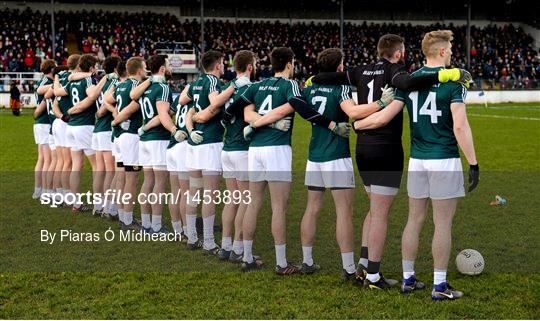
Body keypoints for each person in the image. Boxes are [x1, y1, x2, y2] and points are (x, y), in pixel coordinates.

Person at [311, 34, 471, 289]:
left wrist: (314, 79)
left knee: (373, 210)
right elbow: (407, 82)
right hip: (386, 149)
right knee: (381, 214)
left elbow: (334, 77)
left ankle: (364, 266)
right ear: (398, 53)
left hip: (362, 147)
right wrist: (445, 75)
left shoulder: (360, 70)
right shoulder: (396, 71)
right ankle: (373, 275)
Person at [354, 30, 479, 300]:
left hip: (417, 161)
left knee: (414, 220)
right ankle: (439, 285)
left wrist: (358, 124)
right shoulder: (453, 82)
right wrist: (474, 163)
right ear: (443, 52)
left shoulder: (409, 82)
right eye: (450, 50)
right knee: (442, 224)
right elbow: (460, 125)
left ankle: (408, 279)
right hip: (443, 158)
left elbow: (383, 116)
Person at [223, 47, 350, 275]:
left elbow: (236, 110)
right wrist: (331, 125)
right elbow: (300, 107)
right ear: (290, 63)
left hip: (255, 150)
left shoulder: (256, 85)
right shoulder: (290, 85)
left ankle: (247, 256)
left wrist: (255, 123)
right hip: (277, 149)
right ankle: (281, 263)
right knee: (278, 207)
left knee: (253, 204)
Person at [298, 48, 394, 278]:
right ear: (339, 67)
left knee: (311, 209)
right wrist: (381, 103)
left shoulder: (310, 87)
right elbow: (352, 112)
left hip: (314, 157)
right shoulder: (340, 87)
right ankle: (349, 268)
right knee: (344, 212)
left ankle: (307, 261)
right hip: (336, 157)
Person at [107, 56, 147, 229]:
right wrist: (118, 118)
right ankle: (127, 220)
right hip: (131, 136)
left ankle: (123, 215)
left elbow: (107, 99)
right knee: (131, 179)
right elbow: (134, 107)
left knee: (122, 177)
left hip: (119, 137)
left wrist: (116, 113)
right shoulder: (138, 87)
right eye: (144, 67)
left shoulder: (120, 85)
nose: (146, 70)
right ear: (139, 70)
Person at [52, 54, 81, 205]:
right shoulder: (74, 79)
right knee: (68, 162)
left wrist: (61, 117)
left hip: (59, 121)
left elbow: (54, 105)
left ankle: (60, 195)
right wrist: (66, 117)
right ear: (78, 65)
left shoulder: (62, 78)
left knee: (62, 162)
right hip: (67, 122)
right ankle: (70, 198)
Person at [32, 60, 56, 200]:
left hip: (40, 124)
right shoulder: (47, 81)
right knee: (47, 159)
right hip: (45, 122)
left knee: (41, 159)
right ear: (51, 69)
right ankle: (47, 191)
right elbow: (43, 101)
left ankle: (38, 190)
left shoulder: (41, 80)